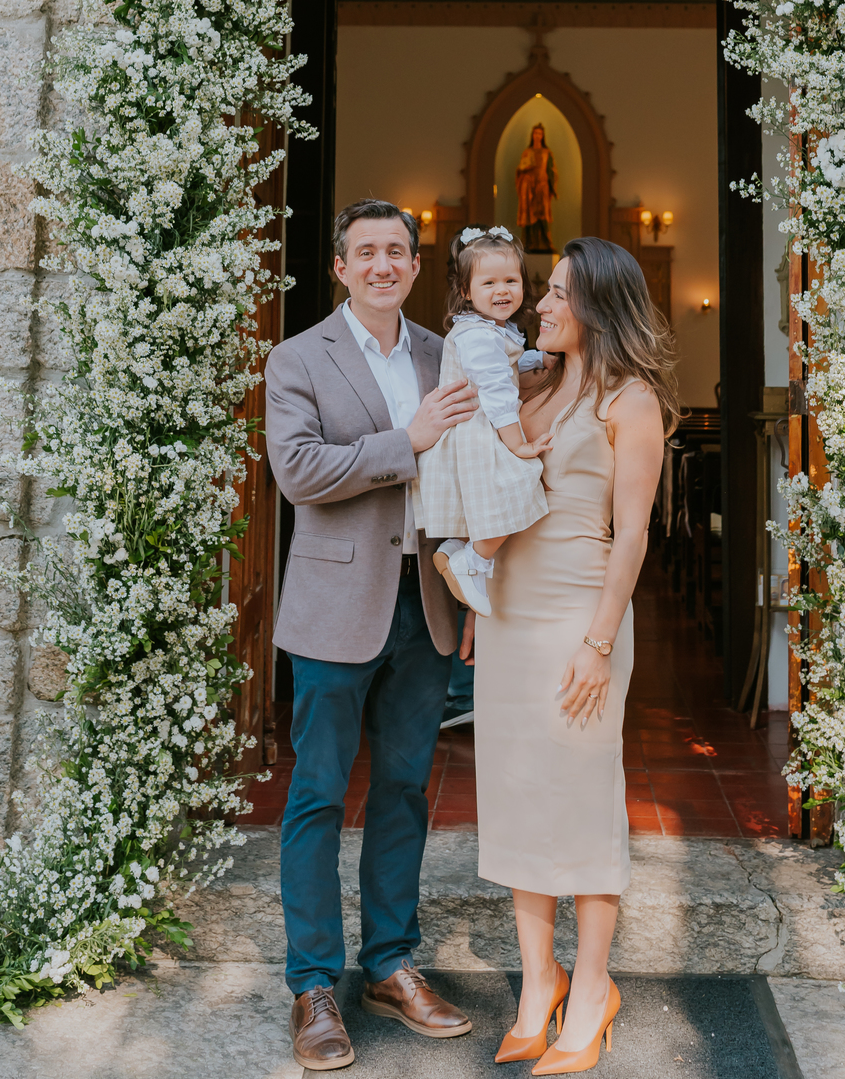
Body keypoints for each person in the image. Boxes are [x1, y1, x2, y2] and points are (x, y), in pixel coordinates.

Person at [264, 199, 481, 1072]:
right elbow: (298, 472)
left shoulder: (444, 353)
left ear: (417, 266)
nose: (383, 264)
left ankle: (391, 965)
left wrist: (472, 595)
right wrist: (406, 440)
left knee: (402, 790)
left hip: (425, 606)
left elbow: (471, 473)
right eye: (367, 252)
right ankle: (313, 984)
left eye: (398, 250)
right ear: (341, 268)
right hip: (333, 607)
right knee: (317, 794)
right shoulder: (296, 357)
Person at [471, 237, 677, 1074]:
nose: (541, 304)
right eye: (545, 290)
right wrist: (480, 601)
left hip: (578, 617)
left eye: (558, 292)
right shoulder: (536, 388)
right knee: (515, 794)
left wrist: (599, 644)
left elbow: (633, 536)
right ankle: (537, 985)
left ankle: (592, 989)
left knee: (585, 799)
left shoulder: (632, 400)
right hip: (511, 615)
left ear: (597, 304)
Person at [416, 225, 552, 618]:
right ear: (465, 290)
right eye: (488, 282)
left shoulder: (491, 329)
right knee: (522, 484)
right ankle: (472, 559)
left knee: (495, 500)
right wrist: (517, 444)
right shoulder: (477, 335)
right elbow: (497, 390)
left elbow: (506, 365)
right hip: (478, 431)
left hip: (479, 429)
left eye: (511, 280)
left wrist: (539, 359)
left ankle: (459, 550)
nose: (502, 290)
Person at [515, 123, 557, 253]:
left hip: (542, 185)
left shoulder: (546, 153)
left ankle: (546, 243)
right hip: (528, 186)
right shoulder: (527, 152)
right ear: (532, 135)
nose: (537, 136)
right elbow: (520, 169)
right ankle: (529, 243)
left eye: (539, 133)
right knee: (529, 215)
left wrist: (552, 186)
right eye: (535, 133)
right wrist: (524, 171)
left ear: (543, 136)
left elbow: (551, 170)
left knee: (542, 215)